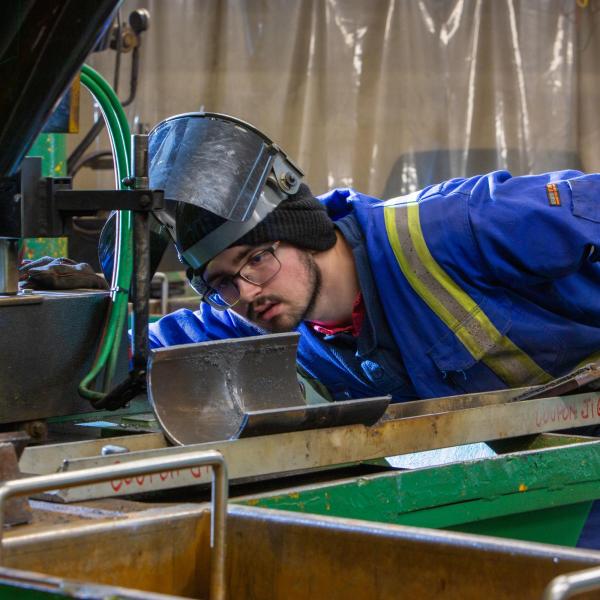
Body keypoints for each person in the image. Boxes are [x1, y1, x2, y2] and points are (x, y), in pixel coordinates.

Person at [146, 112, 600, 404]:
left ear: (301, 233)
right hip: (517, 477)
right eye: (222, 283)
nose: (245, 291)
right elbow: (133, 350)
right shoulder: (261, 318)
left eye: (256, 258)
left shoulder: (454, 227)